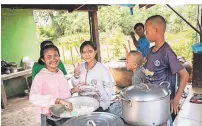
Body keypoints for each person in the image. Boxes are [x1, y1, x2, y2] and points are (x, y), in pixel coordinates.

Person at [144, 15, 189, 124]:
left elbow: (185, 75)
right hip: (151, 98)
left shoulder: (167, 52)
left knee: (162, 122)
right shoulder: (150, 51)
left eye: (147, 31)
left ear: (156, 30)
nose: (145, 34)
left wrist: (176, 99)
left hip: (164, 101)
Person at [29, 44, 72, 126]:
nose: (53, 59)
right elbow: (33, 97)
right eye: (49, 57)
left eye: (55, 55)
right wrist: (56, 100)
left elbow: (62, 91)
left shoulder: (60, 73)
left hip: (64, 113)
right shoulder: (40, 76)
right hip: (50, 117)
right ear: (43, 59)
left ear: (59, 56)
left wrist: (71, 91)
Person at [71, 41, 113, 112]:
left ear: (95, 52)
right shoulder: (80, 67)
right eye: (84, 52)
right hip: (83, 104)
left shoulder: (102, 69)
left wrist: (104, 103)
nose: (87, 55)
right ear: (81, 54)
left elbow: (108, 87)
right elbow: (75, 86)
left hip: (99, 105)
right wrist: (76, 75)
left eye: (90, 51)